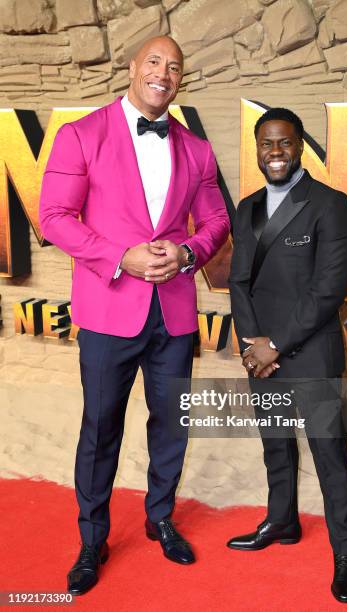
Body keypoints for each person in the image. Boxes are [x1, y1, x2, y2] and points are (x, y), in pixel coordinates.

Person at [39, 35, 230, 595]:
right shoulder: (82, 134)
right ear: (131, 67)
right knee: (101, 428)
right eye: (154, 62)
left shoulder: (196, 149)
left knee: (172, 423)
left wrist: (189, 252)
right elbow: (53, 217)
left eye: (174, 68)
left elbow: (216, 221)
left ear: (180, 81)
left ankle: (160, 517)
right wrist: (118, 256)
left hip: (173, 314)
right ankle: (92, 539)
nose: (164, 74)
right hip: (107, 311)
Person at [227, 108, 347, 604]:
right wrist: (250, 345)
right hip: (260, 355)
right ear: (258, 149)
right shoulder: (246, 209)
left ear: (300, 145)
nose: (275, 152)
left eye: (284, 143)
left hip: (310, 355)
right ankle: (281, 523)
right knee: (275, 445)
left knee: (329, 455)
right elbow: (238, 282)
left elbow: (327, 292)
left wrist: (274, 346)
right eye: (266, 144)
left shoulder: (331, 204)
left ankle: (344, 553)